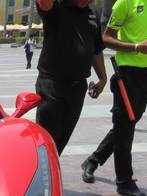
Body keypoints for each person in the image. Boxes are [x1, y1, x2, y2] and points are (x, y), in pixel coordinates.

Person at [81, 0, 147, 196]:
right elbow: (105, 38)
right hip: (127, 72)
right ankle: (124, 181)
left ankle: (93, 160)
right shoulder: (125, 3)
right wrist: (137, 47)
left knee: (127, 124)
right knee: (126, 128)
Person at [35, 0, 107, 156]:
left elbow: (96, 47)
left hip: (78, 87)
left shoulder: (92, 11)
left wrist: (103, 77)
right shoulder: (56, 6)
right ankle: (41, 176)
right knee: (47, 141)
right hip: (53, 85)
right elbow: (44, 3)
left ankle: (49, 173)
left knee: (61, 140)